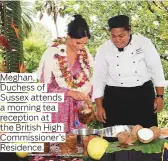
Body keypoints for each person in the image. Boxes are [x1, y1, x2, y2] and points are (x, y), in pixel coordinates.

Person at [93, 15, 165, 128]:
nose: (117, 40)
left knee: (145, 135)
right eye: (113, 36)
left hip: (142, 96)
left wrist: (160, 96)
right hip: (114, 98)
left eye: (121, 35)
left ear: (129, 31)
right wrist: (98, 106)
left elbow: (156, 70)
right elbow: (98, 79)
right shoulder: (104, 49)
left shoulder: (143, 43)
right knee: (115, 138)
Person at [37, 14, 93, 133]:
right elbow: (45, 88)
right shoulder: (52, 54)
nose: (81, 47)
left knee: (78, 147)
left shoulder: (85, 55)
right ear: (68, 37)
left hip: (78, 112)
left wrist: (88, 96)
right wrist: (69, 92)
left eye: (84, 44)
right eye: (78, 43)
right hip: (58, 111)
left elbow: (88, 81)